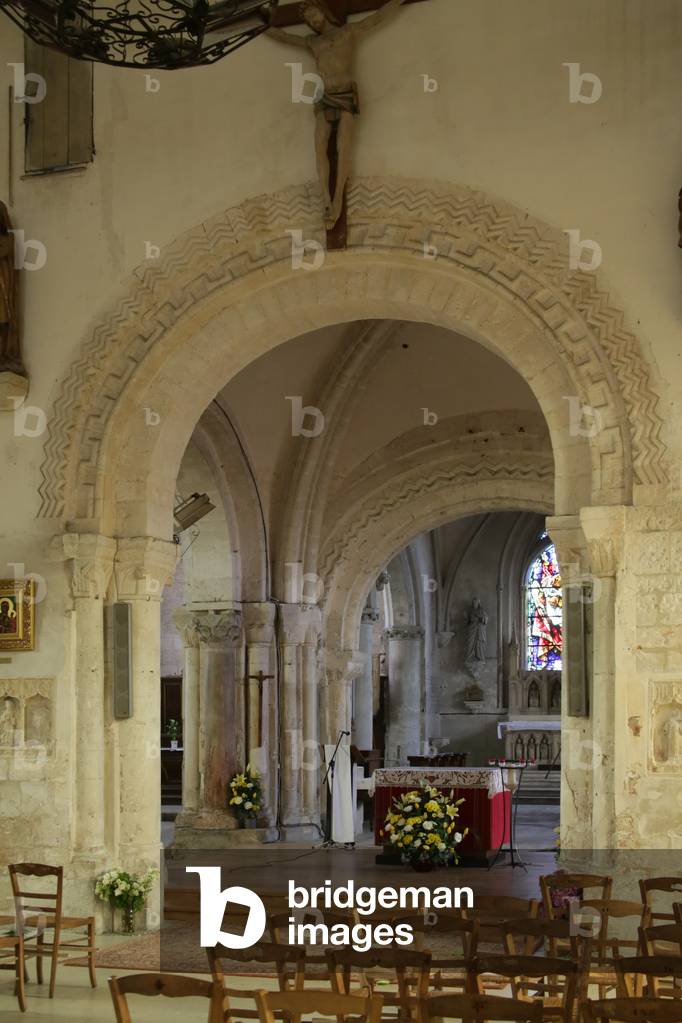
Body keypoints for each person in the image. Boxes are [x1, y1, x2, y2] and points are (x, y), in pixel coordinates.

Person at [267, 0, 408, 228]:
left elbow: (378, 17)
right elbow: (282, 36)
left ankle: (338, 198)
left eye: (314, 14)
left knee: (343, 146)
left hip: (345, 95)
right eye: (308, 19)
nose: (312, 20)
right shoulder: (312, 42)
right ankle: (325, 197)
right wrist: (254, 22)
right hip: (325, 97)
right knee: (320, 145)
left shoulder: (348, 32)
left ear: (324, 12)